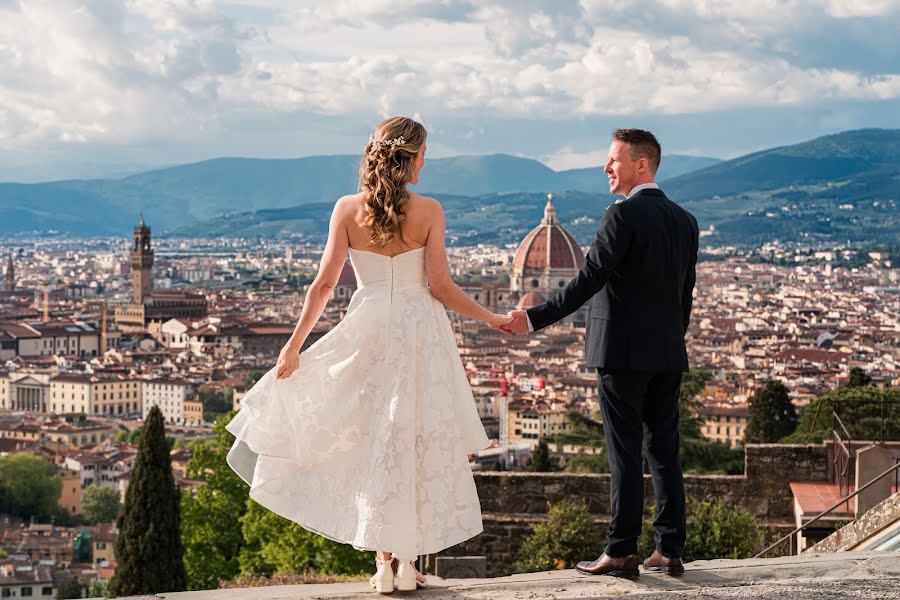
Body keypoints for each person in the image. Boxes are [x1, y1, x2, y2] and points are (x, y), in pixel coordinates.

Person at [225, 116, 511, 593]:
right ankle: (404, 560)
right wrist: (493, 319)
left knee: (372, 438)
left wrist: (294, 346)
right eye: (424, 154)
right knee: (413, 438)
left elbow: (323, 285)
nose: (425, 162)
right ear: (413, 157)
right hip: (420, 332)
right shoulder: (430, 211)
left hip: (369, 328)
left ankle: (383, 561)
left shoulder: (346, 209)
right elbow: (440, 286)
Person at [502, 129, 699, 578]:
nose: (606, 168)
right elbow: (684, 296)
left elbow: (588, 280)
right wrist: (671, 340)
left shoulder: (621, 216)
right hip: (668, 353)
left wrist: (533, 319)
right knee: (665, 453)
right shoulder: (685, 221)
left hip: (621, 354)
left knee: (624, 453)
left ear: (641, 166)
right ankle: (669, 549)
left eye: (613, 160)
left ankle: (622, 549)